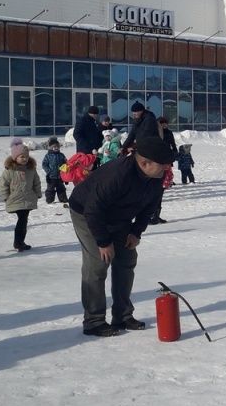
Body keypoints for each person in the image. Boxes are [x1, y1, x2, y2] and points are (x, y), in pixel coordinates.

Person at [69, 136, 174, 337]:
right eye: (163, 164)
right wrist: (103, 241)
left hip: (119, 217)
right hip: (87, 212)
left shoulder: (157, 176)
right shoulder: (118, 174)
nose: (167, 167)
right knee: (98, 264)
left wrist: (136, 232)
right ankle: (94, 320)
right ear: (145, 163)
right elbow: (93, 209)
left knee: (126, 259)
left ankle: (123, 315)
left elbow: (150, 206)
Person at [0, 139, 42, 251]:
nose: (24, 159)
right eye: (21, 157)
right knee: (22, 220)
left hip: (27, 198)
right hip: (15, 199)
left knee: (23, 220)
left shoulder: (31, 169)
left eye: (26, 157)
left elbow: (36, 181)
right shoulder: (10, 170)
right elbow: (3, 184)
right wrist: (5, 196)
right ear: (15, 157)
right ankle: (18, 242)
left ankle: (20, 242)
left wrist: (38, 193)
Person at [149, 117, 178, 224]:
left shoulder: (169, 133)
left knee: (160, 190)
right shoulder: (154, 133)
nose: (164, 125)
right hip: (156, 163)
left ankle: (156, 215)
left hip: (166, 161)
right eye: (162, 123)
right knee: (154, 191)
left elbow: (173, 145)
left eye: (166, 123)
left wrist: (174, 154)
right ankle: (151, 216)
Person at [41, 136, 69, 205]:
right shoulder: (48, 156)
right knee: (50, 189)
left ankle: (63, 199)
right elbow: (44, 164)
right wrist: (48, 171)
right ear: (50, 148)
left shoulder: (61, 155)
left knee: (61, 188)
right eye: (54, 147)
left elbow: (66, 163)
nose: (56, 148)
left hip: (60, 176)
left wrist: (64, 171)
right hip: (51, 176)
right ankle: (50, 200)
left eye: (57, 147)